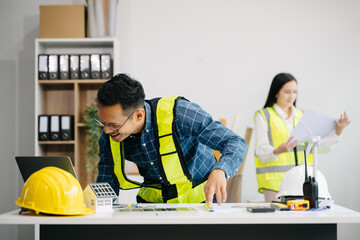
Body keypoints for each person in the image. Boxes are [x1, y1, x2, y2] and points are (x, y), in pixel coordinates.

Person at [95, 74, 248, 205]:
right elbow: (106, 183)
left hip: (201, 205)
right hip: (153, 210)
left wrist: (220, 170)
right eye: (103, 122)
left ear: (139, 115)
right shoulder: (110, 137)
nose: (107, 130)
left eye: (113, 125)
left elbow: (235, 143)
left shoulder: (179, 114)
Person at [254, 73, 350, 202]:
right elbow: (261, 151)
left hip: (303, 183)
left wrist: (337, 132)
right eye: (287, 92)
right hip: (275, 185)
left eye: (295, 92)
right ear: (276, 93)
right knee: (278, 222)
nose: (291, 96)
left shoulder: (303, 116)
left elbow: (318, 148)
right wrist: (278, 150)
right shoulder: (264, 115)